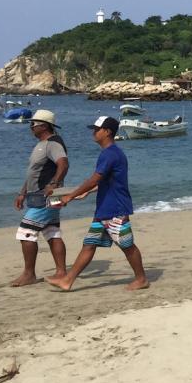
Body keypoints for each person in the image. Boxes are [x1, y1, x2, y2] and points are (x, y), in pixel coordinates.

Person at [47, 116, 148, 291]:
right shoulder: (112, 153)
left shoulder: (110, 154)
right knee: (89, 244)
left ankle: (141, 279)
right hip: (105, 208)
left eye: (97, 129)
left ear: (107, 132)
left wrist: (70, 196)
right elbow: (108, 181)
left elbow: (95, 179)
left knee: (127, 245)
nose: (94, 132)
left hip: (115, 208)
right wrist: (88, 192)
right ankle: (68, 280)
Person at [11, 110, 70, 287]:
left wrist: (54, 183)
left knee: (25, 232)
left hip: (45, 195)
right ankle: (61, 271)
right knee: (52, 232)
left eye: (33, 124)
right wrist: (22, 192)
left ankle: (29, 274)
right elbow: (33, 172)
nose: (31, 127)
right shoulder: (42, 144)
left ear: (43, 126)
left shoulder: (53, 143)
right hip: (39, 195)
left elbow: (63, 163)